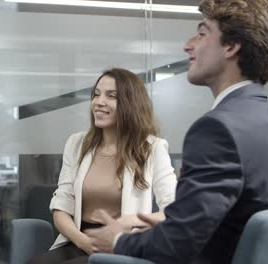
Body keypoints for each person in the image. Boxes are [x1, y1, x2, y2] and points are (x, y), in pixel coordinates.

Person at [86, 1, 268, 263]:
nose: (188, 45)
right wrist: (170, 221)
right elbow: (237, 217)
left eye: (202, 33)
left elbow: (177, 246)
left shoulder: (217, 130)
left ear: (231, 47)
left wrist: (117, 240)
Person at [30, 68, 177, 264]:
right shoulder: (77, 144)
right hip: (78, 241)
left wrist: (130, 222)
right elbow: (61, 208)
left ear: (130, 104)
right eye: (96, 94)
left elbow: (175, 210)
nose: (99, 102)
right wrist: (83, 241)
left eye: (111, 96)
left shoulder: (152, 148)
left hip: (121, 246)